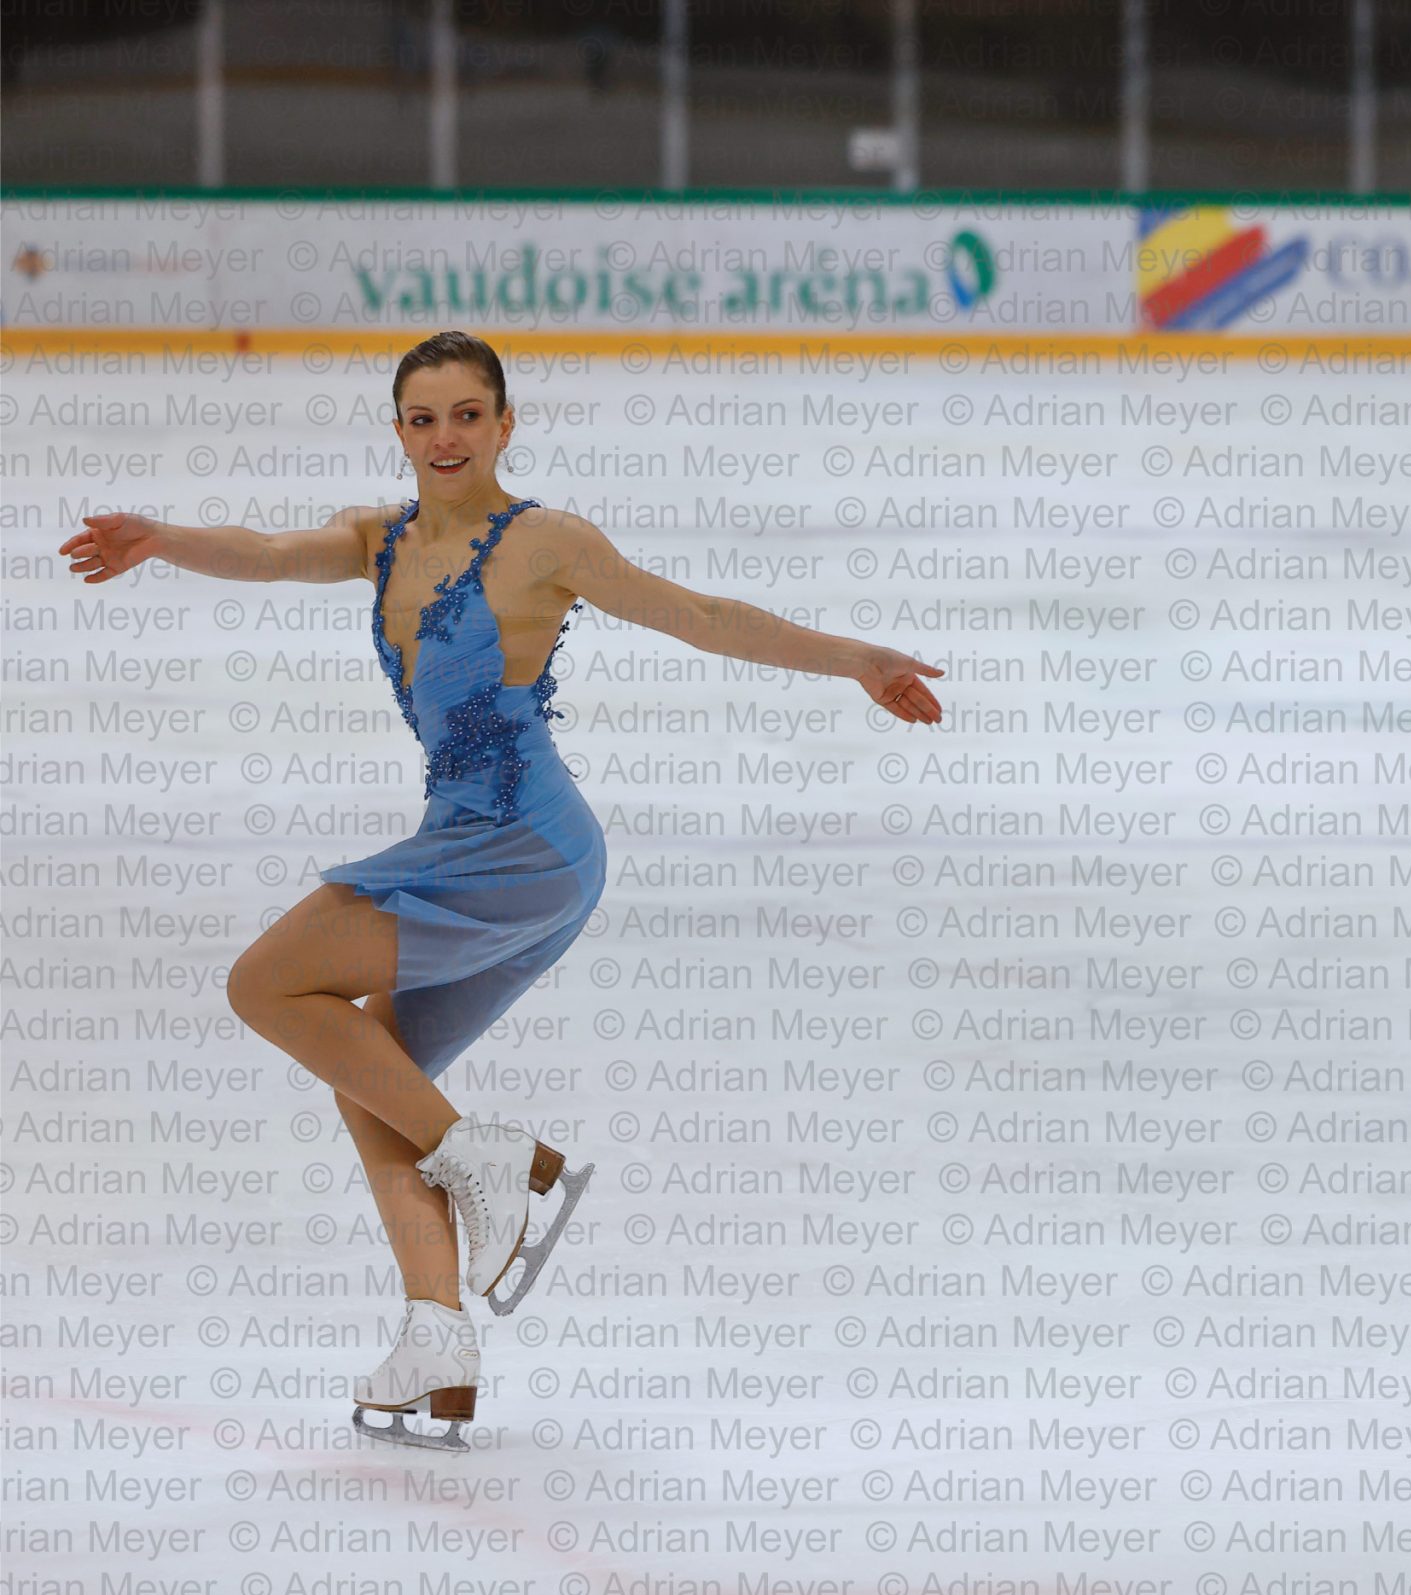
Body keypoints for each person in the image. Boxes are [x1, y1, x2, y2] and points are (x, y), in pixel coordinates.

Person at [59, 329, 947, 1450]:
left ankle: (487, 1157)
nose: (445, 438)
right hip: (470, 839)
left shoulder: (544, 541)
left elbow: (703, 615)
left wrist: (858, 657)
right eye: (423, 418)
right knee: (374, 1073)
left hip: (526, 845)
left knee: (266, 984)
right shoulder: (375, 540)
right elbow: (268, 550)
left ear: (505, 424)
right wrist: (163, 540)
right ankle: (437, 1332)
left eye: (467, 415)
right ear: (398, 432)